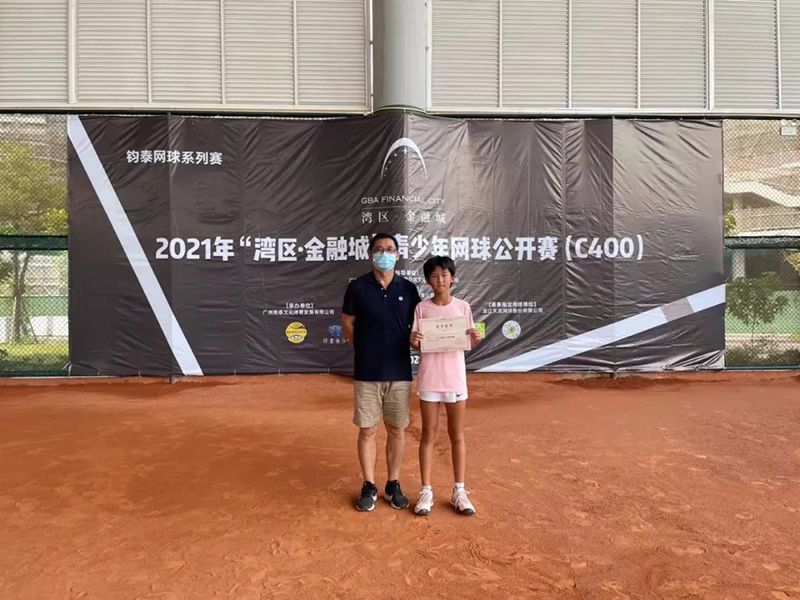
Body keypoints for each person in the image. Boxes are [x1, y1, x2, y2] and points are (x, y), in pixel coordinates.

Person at [341, 233, 421, 512]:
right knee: (367, 430)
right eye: (378, 249)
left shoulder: (408, 289)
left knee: (397, 429)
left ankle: (393, 483)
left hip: (399, 371)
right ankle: (369, 484)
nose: (384, 254)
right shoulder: (357, 287)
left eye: (389, 249)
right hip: (367, 371)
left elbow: (417, 326)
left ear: (398, 255)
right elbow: (347, 321)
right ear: (370, 255)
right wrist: (363, 346)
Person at [409, 255, 481, 516]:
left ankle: (459, 491)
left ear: (453, 278)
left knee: (457, 435)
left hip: (455, 379)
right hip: (430, 378)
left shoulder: (463, 307)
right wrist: (414, 340)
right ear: (428, 281)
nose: (439, 280)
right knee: (428, 434)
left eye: (444, 275)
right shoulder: (421, 308)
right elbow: (416, 342)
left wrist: (474, 339)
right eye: (434, 276)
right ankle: (426, 490)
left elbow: (467, 342)